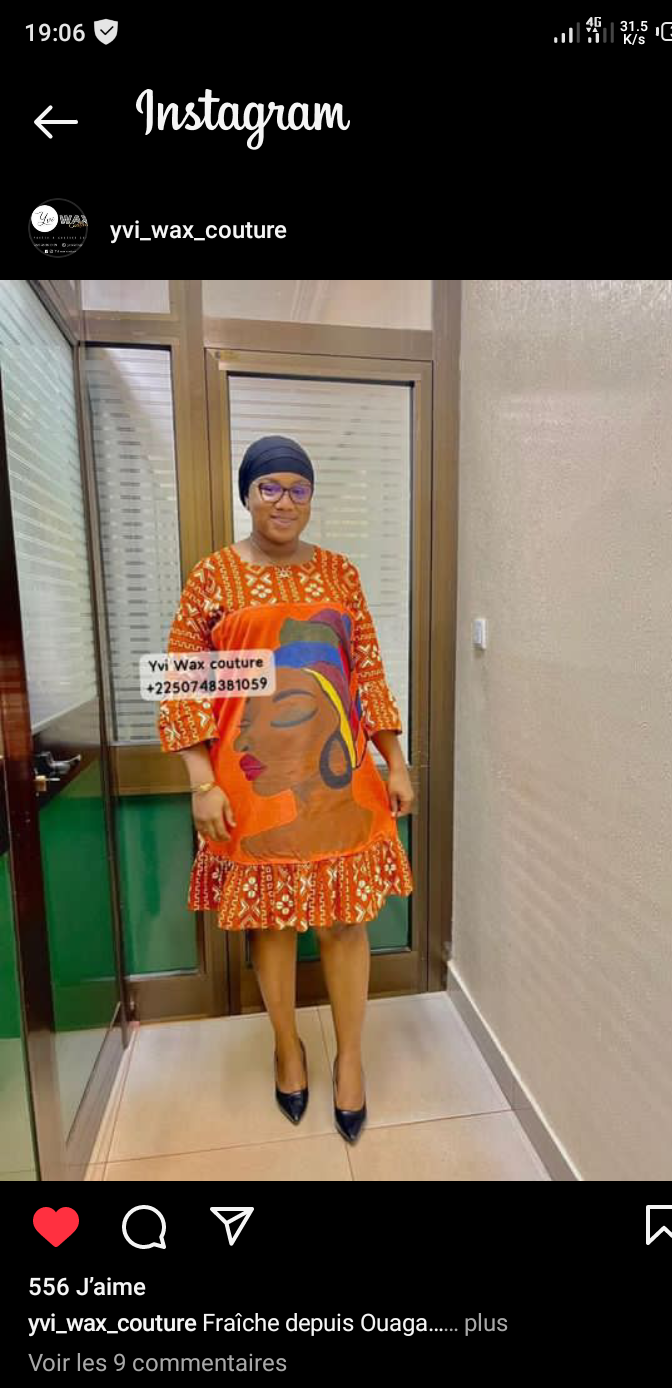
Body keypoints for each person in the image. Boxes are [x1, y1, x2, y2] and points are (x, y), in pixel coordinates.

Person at [157, 435, 414, 1142]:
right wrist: (201, 783)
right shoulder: (212, 577)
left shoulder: (340, 573)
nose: (284, 502)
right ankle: (286, 1048)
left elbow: (366, 673)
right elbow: (183, 684)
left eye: (298, 489)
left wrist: (395, 761)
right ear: (247, 494)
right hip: (251, 784)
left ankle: (350, 1059)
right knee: (270, 925)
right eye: (269, 487)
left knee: (344, 923)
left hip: (339, 782)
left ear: (311, 498)